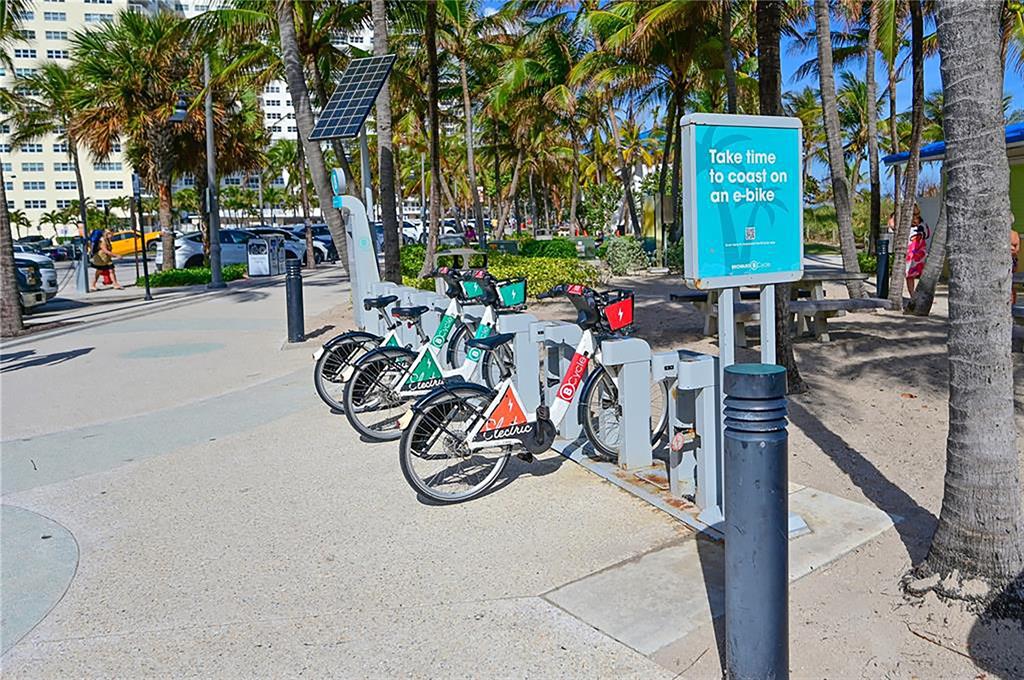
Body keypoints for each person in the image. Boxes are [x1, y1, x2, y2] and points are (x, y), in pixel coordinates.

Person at [904, 204, 930, 297]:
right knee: (914, 275)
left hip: (912, 254)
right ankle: (915, 294)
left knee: (910, 276)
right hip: (917, 253)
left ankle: (913, 294)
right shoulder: (922, 224)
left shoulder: (906, 226)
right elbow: (927, 235)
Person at [1011, 226, 1020, 305]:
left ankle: (1013, 302)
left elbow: (1017, 250)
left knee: (1011, 282)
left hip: (1012, 260)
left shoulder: (1015, 234)